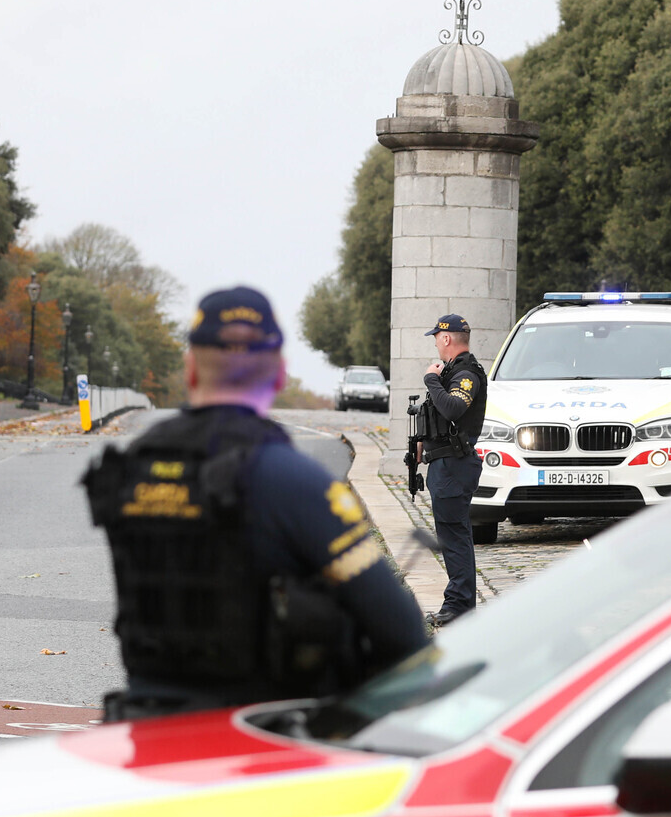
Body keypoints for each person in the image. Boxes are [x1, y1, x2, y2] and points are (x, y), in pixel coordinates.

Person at [85, 287, 427, 720]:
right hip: (257, 736)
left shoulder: (132, 466)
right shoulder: (292, 480)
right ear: (279, 374)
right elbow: (401, 632)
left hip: (145, 728)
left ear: (191, 369)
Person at [419, 313, 488, 627]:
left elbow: (454, 408)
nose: (436, 343)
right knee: (453, 535)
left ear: (446, 338)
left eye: (437, 337)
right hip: (446, 465)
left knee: (454, 537)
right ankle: (459, 604)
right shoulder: (452, 371)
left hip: (454, 466)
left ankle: (458, 606)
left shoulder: (466, 374)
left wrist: (431, 380)